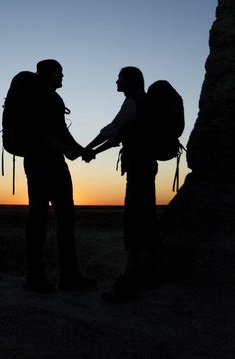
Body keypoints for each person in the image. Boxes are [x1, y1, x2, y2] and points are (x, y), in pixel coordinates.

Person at [85, 66, 160, 302]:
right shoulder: (145, 102)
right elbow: (119, 137)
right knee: (146, 216)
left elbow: (112, 129)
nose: (116, 81)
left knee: (134, 218)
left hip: (138, 168)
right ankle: (147, 272)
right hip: (147, 166)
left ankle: (130, 279)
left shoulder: (131, 102)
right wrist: (94, 152)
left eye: (120, 77)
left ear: (129, 80)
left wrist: (87, 148)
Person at [23, 59, 96, 293]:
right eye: (59, 73)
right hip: (46, 163)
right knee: (51, 218)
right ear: (50, 74)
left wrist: (79, 149)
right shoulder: (44, 98)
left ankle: (53, 276)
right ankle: (50, 277)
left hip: (42, 162)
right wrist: (70, 150)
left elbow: (62, 131)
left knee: (46, 217)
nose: (62, 77)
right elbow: (44, 133)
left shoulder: (52, 99)